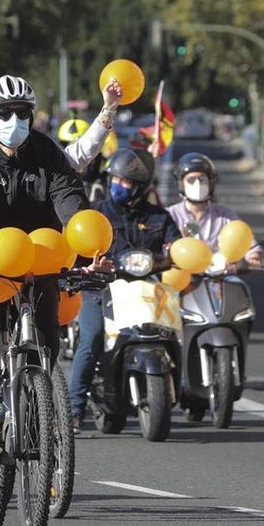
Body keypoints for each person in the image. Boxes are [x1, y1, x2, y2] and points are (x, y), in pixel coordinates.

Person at [0, 74, 96, 485]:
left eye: (22, 113)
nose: (15, 120)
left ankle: (46, 413)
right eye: (4, 114)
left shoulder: (48, 153)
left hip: (37, 254)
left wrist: (87, 253)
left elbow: (70, 201)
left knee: (47, 337)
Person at [67, 148, 179, 433]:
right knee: (91, 338)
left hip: (145, 290)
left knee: (173, 330)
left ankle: (185, 392)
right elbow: (75, 249)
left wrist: (171, 254)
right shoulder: (96, 214)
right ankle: (74, 410)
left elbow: (176, 247)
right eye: (115, 178)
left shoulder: (159, 217)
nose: (118, 185)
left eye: (126, 181)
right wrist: (88, 265)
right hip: (99, 290)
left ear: (140, 188)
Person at [166, 152, 264, 268]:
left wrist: (253, 256)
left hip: (219, 279)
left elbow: (245, 239)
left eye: (202, 179)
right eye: (191, 180)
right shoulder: (169, 215)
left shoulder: (226, 214)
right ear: (181, 184)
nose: (197, 184)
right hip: (180, 281)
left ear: (211, 183)